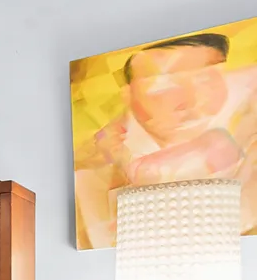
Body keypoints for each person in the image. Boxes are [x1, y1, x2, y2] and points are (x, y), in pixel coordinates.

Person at [74, 32, 257, 247]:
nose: (190, 101)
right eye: (162, 86)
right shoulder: (91, 179)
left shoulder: (243, 147)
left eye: (205, 80)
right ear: (128, 96)